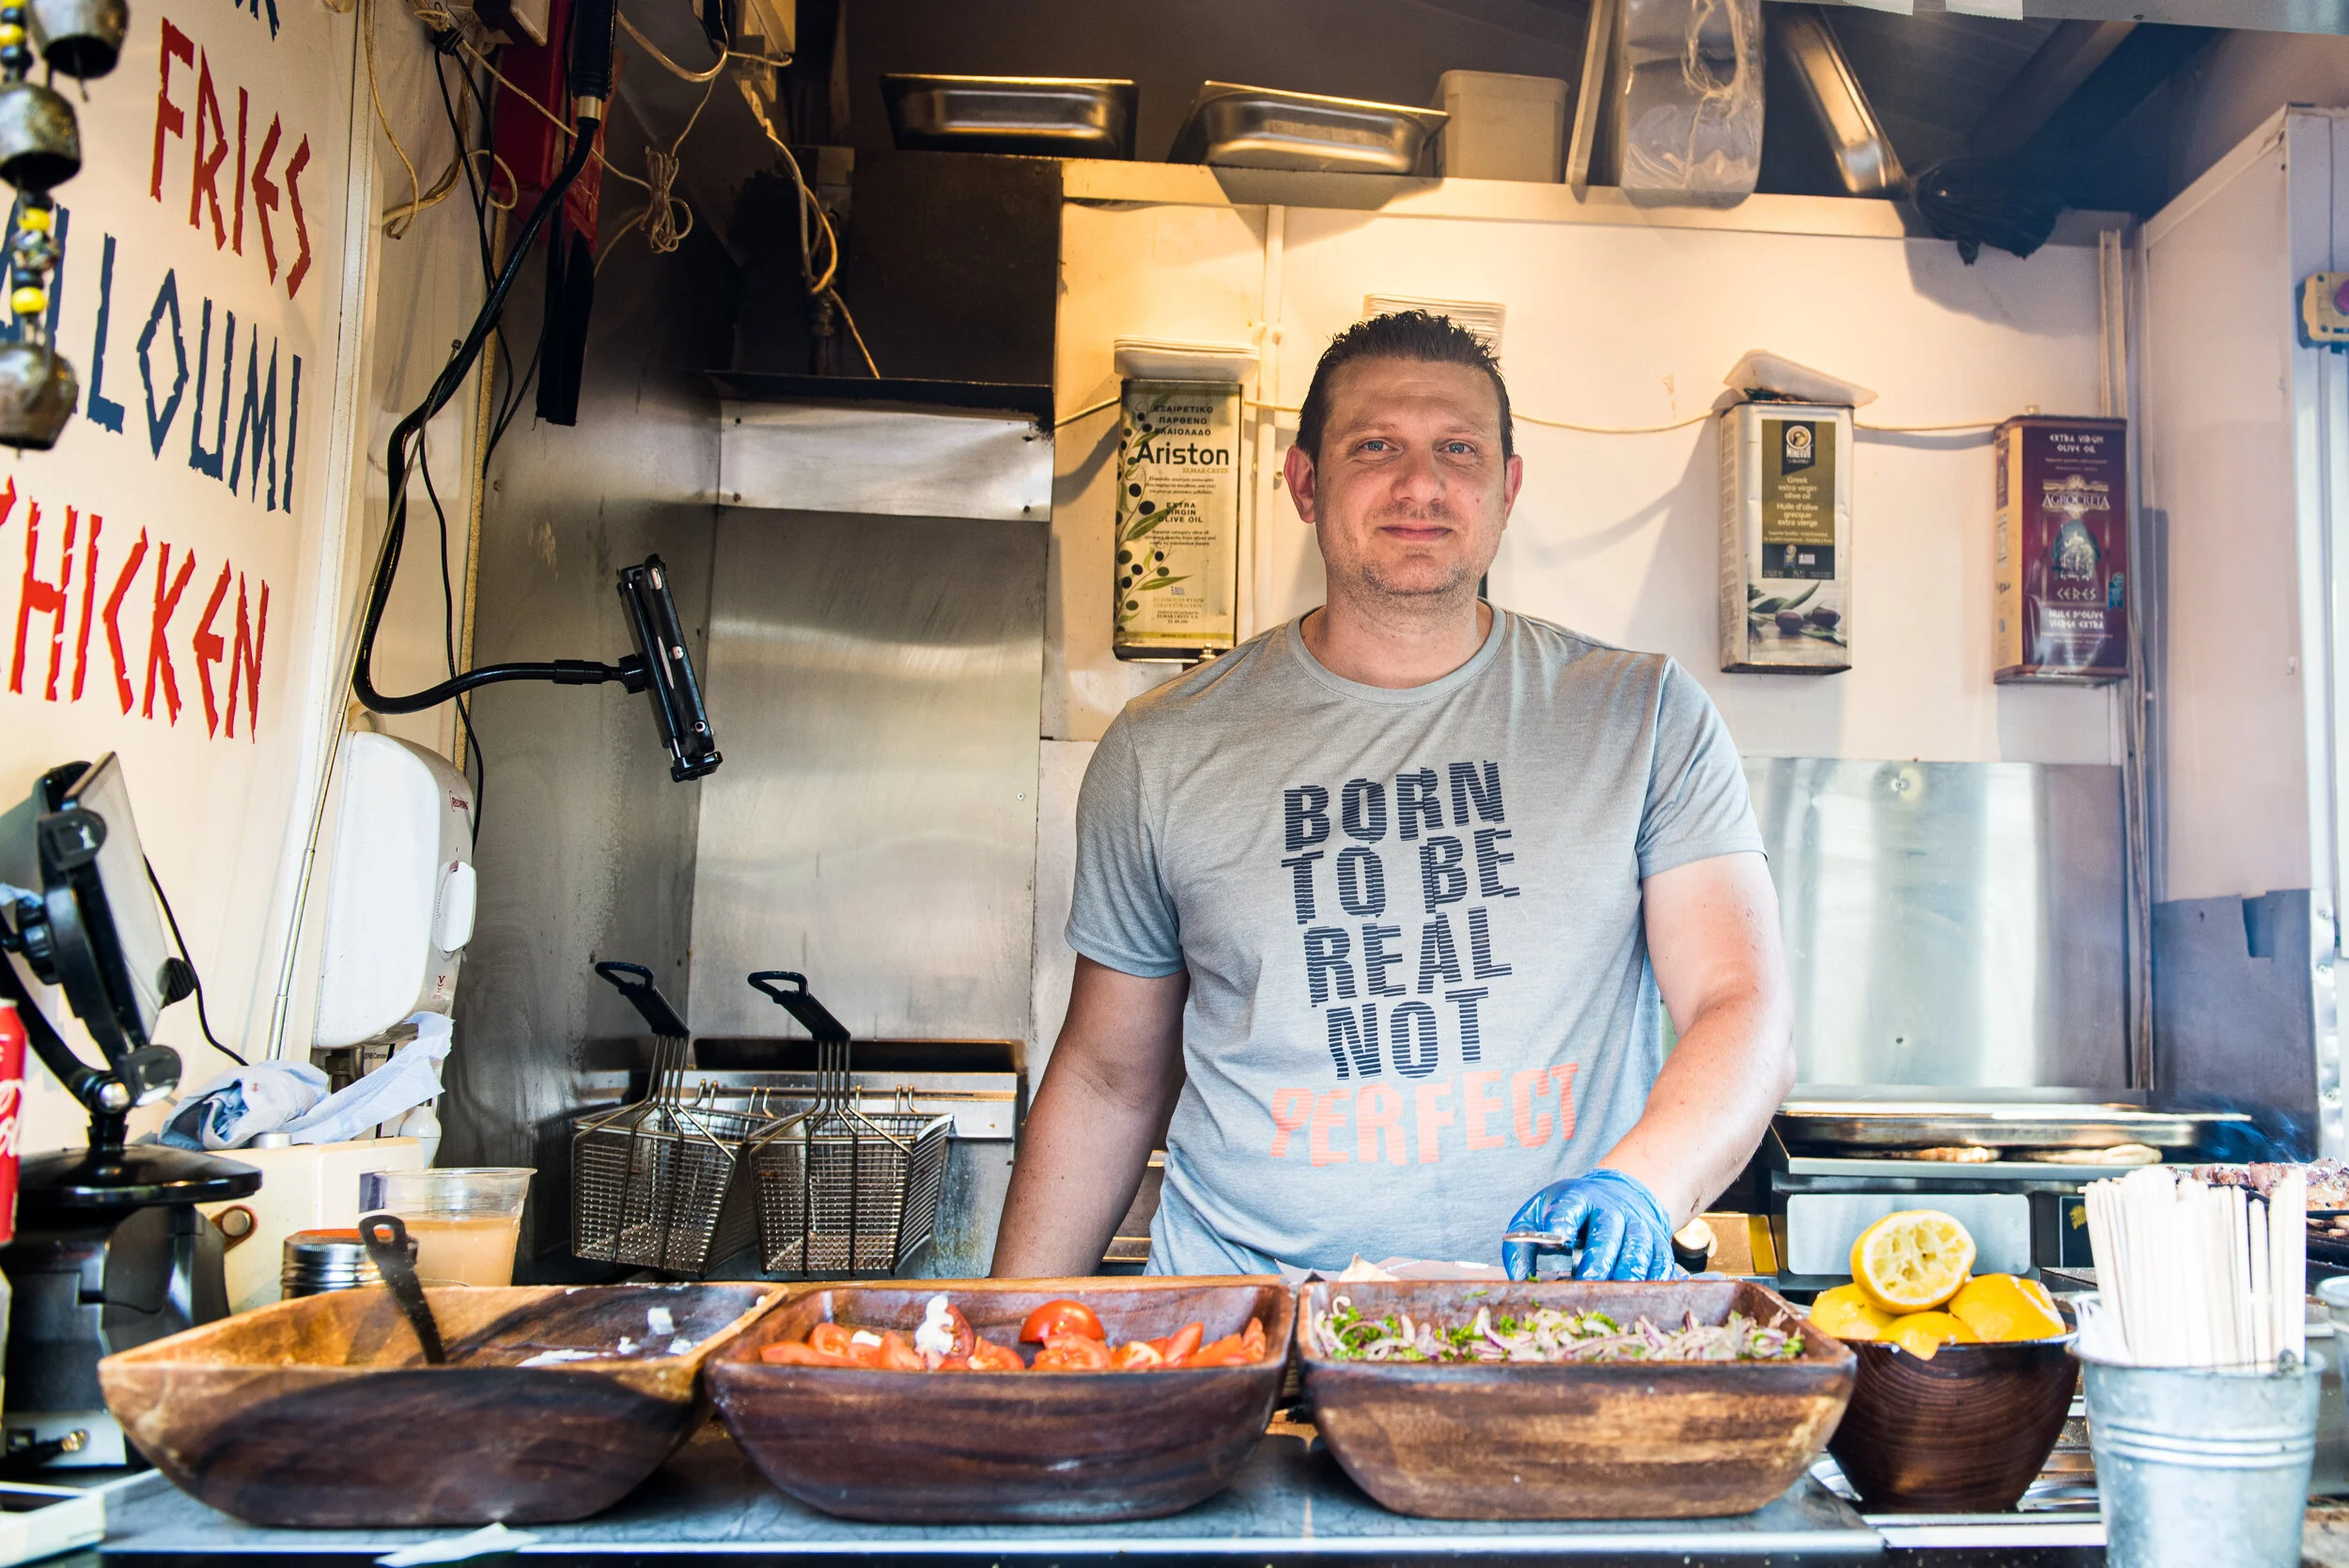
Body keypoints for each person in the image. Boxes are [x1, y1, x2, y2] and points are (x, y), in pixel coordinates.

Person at [992, 311, 1793, 1281]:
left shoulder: (1643, 716)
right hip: (1255, 1334)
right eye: (1377, 447)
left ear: (1505, 489)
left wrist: (1642, 1187)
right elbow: (1108, 1079)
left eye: (1457, 449)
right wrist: (1008, 1331)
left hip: (1553, 1328)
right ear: (1303, 482)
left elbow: (1739, 1004)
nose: (1421, 484)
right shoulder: (1161, 748)